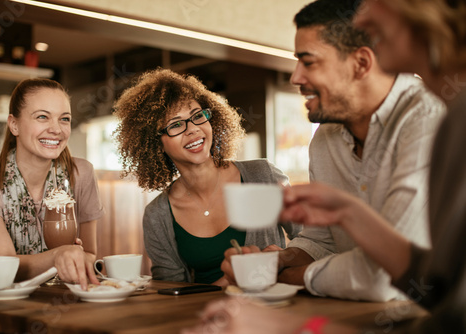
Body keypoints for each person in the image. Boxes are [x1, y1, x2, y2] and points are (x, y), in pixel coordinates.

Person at [184, 0, 466, 333]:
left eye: (308, 62)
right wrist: (284, 259)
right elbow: (435, 282)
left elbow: (388, 283)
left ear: (361, 63)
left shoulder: (436, 119)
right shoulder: (325, 139)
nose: (295, 77)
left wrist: (290, 306)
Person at [113, 68, 301, 285]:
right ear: (156, 143)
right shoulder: (157, 216)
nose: (192, 129)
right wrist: (228, 283)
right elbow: (171, 293)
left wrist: (283, 258)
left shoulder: (262, 175)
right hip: (205, 315)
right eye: (175, 124)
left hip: (275, 309)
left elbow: (314, 241)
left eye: (197, 115)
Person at [0, 78, 104, 289]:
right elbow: (4, 265)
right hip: (9, 305)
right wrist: (59, 255)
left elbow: (90, 254)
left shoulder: (81, 173)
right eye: (42, 117)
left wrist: (81, 258)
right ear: (14, 124)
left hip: (66, 296)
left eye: (64, 119)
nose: (56, 129)